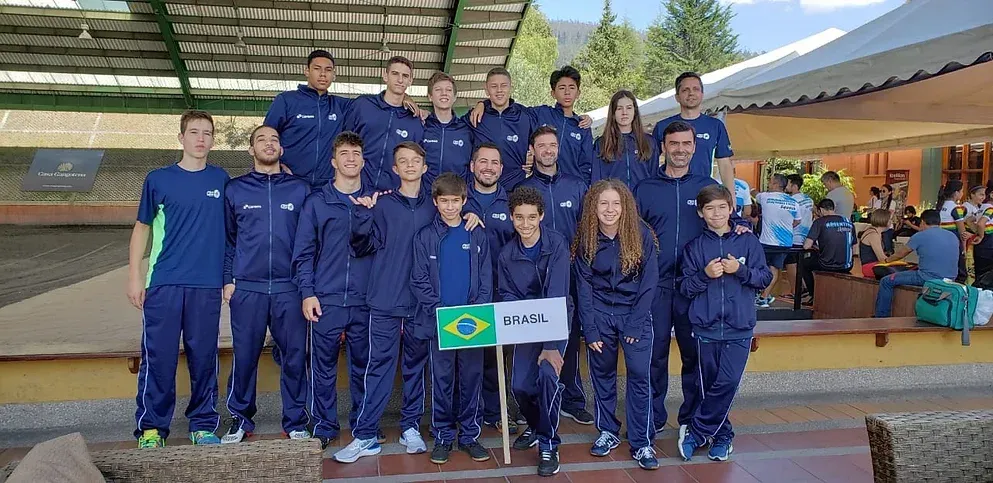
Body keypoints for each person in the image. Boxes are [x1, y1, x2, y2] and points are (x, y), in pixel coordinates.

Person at [354, 142, 481, 456]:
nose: (409, 165)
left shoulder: (436, 205)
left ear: (425, 167)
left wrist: (472, 215)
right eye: (402, 161)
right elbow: (361, 246)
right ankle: (366, 431)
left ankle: (410, 426)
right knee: (379, 367)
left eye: (415, 160)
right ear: (395, 169)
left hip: (423, 305)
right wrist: (361, 215)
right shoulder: (381, 203)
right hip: (385, 300)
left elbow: (457, 225)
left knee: (416, 369)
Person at [633, 120, 748, 437]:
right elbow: (632, 234)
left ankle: (693, 418)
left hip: (697, 286)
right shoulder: (645, 188)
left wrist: (741, 226)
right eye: (674, 144)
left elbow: (725, 218)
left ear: (694, 148)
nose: (680, 149)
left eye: (686, 144)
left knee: (694, 356)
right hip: (655, 286)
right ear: (664, 147)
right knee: (654, 355)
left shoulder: (705, 185)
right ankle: (652, 417)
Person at [127, 110, 229, 448]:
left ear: (213, 140)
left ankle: (202, 424)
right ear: (181, 137)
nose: (201, 139)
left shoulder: (221, 180)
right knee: (159, 358)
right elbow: (141, 230)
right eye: (194, 132)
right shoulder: (158, 179)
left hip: (207, 285)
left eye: (207, 133)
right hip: (164, 283)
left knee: (203, 358)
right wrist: (134, 277)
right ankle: (152, 428)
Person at [220, 126, 311, 444]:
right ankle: (241, 419)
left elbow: (309, 241)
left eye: (274, 140)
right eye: (262, 139)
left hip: (290, 288)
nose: (269, 144)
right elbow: (229, 240)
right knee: (244, 356)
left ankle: (296, 420)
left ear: (281, 150)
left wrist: (306, 284)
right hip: (248, 288)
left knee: (295, 356)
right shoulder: (235, 190)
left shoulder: (300, 189)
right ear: (250, 149)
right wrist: (228, 279)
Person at [292, 131, 377, 456]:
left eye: (356, 153)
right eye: (344, 153)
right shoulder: (316, 202)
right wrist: (307, 293)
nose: (351, 159)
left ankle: (362, 426)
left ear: (363, 160)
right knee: (322, 367)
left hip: (364, 300)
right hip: (325, 299)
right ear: (334, 161)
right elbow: (304, 252)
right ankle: (325, 426)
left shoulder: (374, 200)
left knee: (363, 366)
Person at [677, 184, 772, 462]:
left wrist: (740, 270)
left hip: (739, 327)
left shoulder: (748, 241)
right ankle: (722, 436)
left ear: (731, 208)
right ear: (700, 213)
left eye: (722, 207)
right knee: (708, 386)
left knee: (727, 382)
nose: (716, 213)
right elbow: (685, 288)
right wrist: (706, 274)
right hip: (705, 328)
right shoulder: (695, 248)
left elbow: (764, 279)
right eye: (709, 208)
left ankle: (696, 431)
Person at [574, 180, 659, 470]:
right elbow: (582, 286)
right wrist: (591, 326)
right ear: (593, 207)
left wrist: (635, 324)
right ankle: (608, 432)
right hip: (599, 316)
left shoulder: (641, 234)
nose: (610, 210)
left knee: (639, 376)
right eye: (603, 203)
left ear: (625, 206)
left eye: (615, 203)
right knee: (603, 376)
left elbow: (649, 283)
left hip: (634, 316)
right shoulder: (586, 237)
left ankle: (642, 442)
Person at [409, 173, 492, 464]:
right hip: (440, 323)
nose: (449, 207)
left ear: (464, 201)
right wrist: (440, 311)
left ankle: (469, 435)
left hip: (473, 322)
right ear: (435, 202)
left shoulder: (476, 233)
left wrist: (478, 310)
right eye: (443, 201)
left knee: (471, 379)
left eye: (455, 201)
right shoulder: (425, 236)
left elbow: (485, 278)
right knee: (442, 381)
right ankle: (443, 435)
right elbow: (418, 280)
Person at [497, 186, 572, 477]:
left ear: (541, 216)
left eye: (531, 217)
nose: (525, 224)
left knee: (547, 377)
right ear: (511, 218)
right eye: (519, 218)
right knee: (520, 386)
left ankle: (548, 443)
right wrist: (520, 312)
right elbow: (505, 293)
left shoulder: (557, 245)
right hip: (525, 324)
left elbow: (558, 294)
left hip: (555, 324)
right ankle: (539, 425)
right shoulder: (506, 254)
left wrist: (551, 345)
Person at [519, 126, 592, 425]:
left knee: (569, 336)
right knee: (529, 335)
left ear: (558, 149)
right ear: (532, 151)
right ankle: (529, 399)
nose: (547, 151)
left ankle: (571, 398)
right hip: (530, 271)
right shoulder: (522, 187)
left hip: (569, 273)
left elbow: (587, 226)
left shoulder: (576, 185)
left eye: (552, 145)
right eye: (541, 146)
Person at [464, 143, 520, 433]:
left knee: (500, 357)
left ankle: (498, 410)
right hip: (466, 296)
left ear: (501, 168)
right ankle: (470, 414)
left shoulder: (510, 205)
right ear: (472, 166)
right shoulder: (459, 200)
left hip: (502, 293)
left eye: (494, 162)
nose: (488, 167)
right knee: (472, 358)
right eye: (482, 161)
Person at [470, 66, 594, 185]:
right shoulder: (539, 113)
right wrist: (483, 104)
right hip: (542, 184)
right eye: (562, 88)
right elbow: (504, 106)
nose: (567, 92)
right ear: (553, 93)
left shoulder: (582, 126)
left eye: (572, 88)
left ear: (578, 93)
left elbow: (586, 165)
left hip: (572, 188)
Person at [263, 50, 351, 187]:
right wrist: (275, 165)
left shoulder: (341, 106)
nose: (323, 74)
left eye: (328, 70)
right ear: (307, 71)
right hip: (289, 182)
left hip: (326, 186)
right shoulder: (286, 100)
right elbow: (266, 136)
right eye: (317, 69)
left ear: (334, 74)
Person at [343, 55, 425, 191]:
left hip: (391, 193)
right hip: (356, 187)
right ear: (385, 76)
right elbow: (343, 143)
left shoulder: (415, 121)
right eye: (395, 74)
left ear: (410, 81)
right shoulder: (362, 105)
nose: (400, 80)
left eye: (405, 76)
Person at [651, 72, 734, 191]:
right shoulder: (662, 126)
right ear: (677, 97)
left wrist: (731, 198)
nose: (691, 93)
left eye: (696, 89)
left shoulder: (715, 126)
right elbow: (651, 162)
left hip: (703, 192)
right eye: (685, 90)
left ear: (702, 94)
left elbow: (725, 164)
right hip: (670, 190)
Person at [874, 209, 960, 317]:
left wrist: (885, 261)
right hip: (950, 278)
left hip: (927, 277)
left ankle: (881, 317)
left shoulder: (920, 235)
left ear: (923, 222)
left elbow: (901, 254)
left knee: (886, 281)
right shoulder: (953, 236)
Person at [466, 67, 535, 190]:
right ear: (486, 90)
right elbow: (449, 123)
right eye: (494, 86)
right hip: (483, 190)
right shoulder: (475, 116)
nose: (499, 90)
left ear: (510, 88)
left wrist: (534, 158)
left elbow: (545, 139)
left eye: (504, 86)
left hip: (516, 189)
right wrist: (425, 114)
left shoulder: (525, 116)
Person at [592, 90, 659, 190]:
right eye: (619, 108)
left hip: (642, 200)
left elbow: (654, 177)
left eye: (629, 108)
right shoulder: (601, 143)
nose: (624, 113)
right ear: (613, 113)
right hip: (613, 201)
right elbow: (596, 180)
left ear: (634, 111)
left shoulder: (649, 142)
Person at [421, 71, 474, 188]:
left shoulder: (466, 129)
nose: (444, 93)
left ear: (455, 96)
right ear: (430, 96)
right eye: (438, 90)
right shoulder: (422, 126)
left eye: (449, 90)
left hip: (456, 199)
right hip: (426, 197)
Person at [755, 174, 800, 308]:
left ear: (775, 184)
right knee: (774, 270)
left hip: (767, 242)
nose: (768, 184)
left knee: (760, 269)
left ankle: (761, 296)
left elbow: (754, 195)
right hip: (785, 243)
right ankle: (764, 296)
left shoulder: (766, 197)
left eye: (770, 182)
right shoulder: (794, 202)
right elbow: (797, 221)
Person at [800, 198, 856, 302]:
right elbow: (854, 247)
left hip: (826, 264)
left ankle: (813, 295)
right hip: (847, 265)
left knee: (803, 263)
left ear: (821, 210)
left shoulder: (819, 222)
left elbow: (806, 246)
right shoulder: (848, 221)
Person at [783, 174, 813, 300]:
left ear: (794, 186)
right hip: (806, 237)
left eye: (788, 183)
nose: (786, 185)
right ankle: (803, 287)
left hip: (794, 236)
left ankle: (795, 291)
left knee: (790, 264)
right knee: (800, 264)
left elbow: (791, 219)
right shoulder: (808, 199)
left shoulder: (791, 201)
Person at [937, 181, 968, 283]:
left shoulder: (940, 206)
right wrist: (964, 248)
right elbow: (962, 232)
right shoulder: (956, 208)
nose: (962, 193)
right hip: (953, 241)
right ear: (956, 193)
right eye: (962, 191)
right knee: (961, 272)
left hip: (941, 241)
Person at [858, 209, 892, 278]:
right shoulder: (873, 235)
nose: (891, 222)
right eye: (890, 219)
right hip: (871, 267)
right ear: (883, 220)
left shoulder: (876, 232)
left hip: (875, 266)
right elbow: (881, 258)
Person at [972, 186, 993, 280]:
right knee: (985, 277)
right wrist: (981, 236)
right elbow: (981, 223)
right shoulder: (990, 209)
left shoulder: (982, 207)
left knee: (980, 275)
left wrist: (976, 233)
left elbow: (969, 220)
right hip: (988, 245)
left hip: (981, 247)